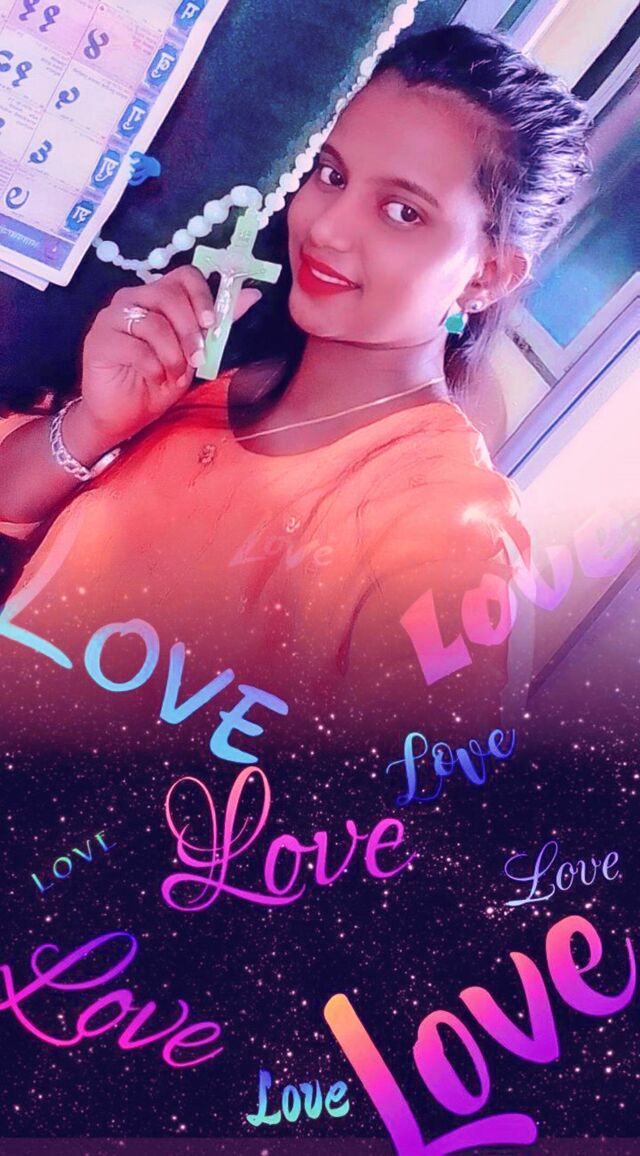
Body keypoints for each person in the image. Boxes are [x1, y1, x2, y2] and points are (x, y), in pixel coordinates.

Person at [0, 25, 591, 757]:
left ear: (488, 274)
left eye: (402, 211)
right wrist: (96, 423)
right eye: (332, 175)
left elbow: (390, 819)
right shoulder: (206, 378)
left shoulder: (447, 540)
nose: (328, 228)